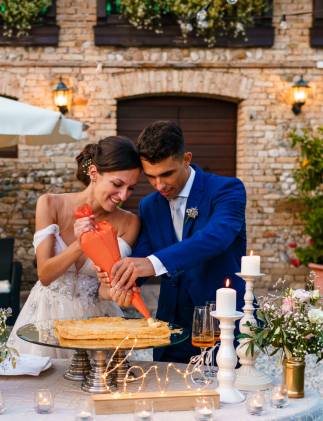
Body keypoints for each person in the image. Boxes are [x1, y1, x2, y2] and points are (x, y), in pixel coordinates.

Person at [95, 121, 247, 363]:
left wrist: (151, 263)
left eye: (167, 173)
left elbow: (216, 237)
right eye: (151, 177)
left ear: (186, 159)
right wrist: (120, 275)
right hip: (170, 332)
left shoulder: (227, 189)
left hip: (222, 328)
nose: (160, 185)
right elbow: (143, 256)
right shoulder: (149, 205)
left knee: (224, 400)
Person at [6, 136, 142, 358]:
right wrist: (82, 243)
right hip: (45, 317)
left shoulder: (129, 223)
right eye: (118, 184)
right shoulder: (50, 204)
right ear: (94, 173)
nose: (123, 196)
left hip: (97, 323)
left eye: (131, 188)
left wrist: (118, 291)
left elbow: (106, 287)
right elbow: (45, 275)